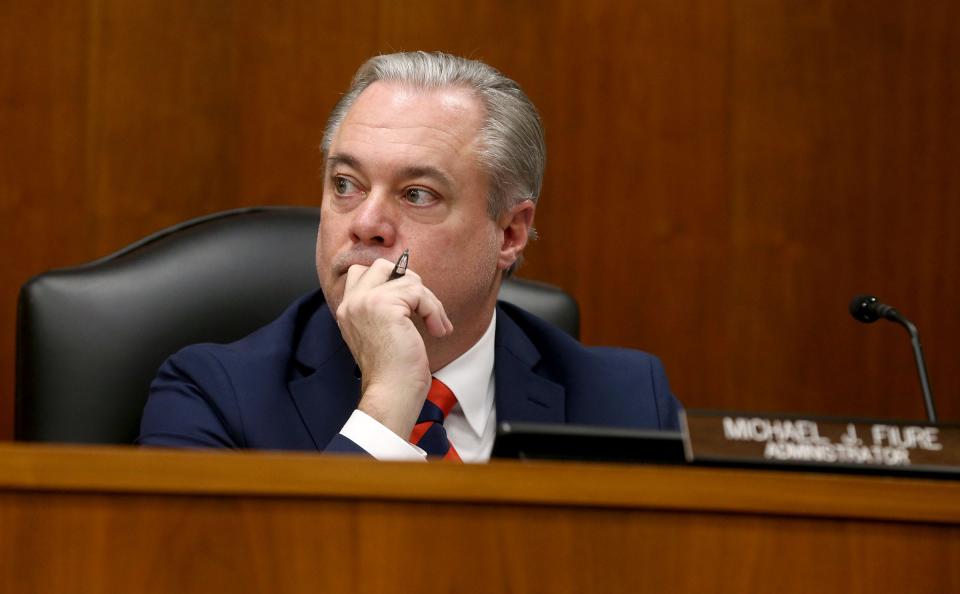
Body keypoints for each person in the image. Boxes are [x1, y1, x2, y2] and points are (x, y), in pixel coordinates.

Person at [138, 51, 681, 461]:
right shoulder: (209, 397)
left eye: (417, 194)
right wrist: (389, 401)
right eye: (345, 184)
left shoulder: (628, 405)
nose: (366, 224)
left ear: (510, 233)